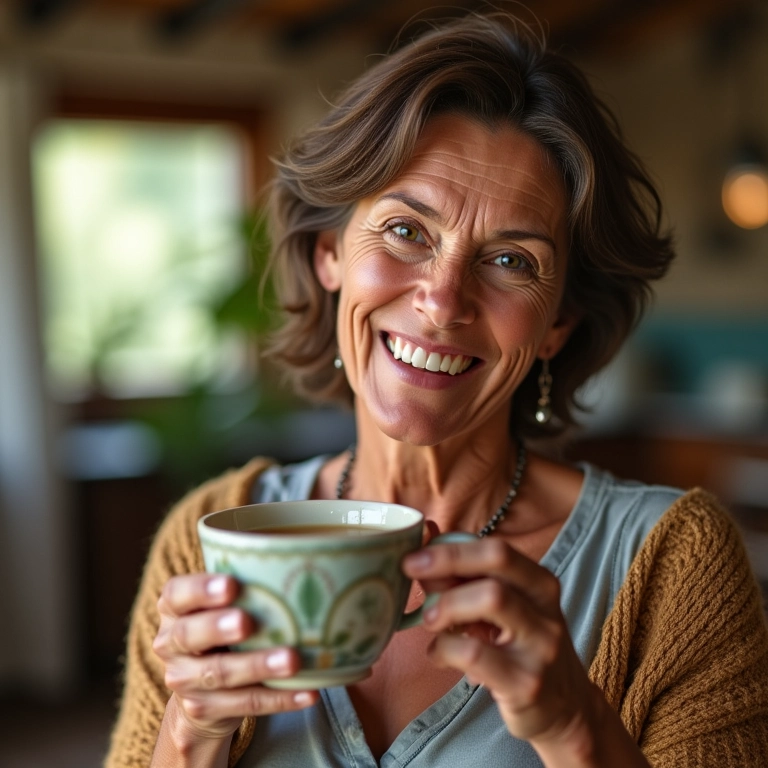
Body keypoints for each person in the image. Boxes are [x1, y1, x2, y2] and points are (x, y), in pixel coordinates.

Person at [105, 11, 768, 768]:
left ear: (557, 326)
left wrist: (573, 727)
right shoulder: (204, 542)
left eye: (513, 261)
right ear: (330, 256)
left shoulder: (673, 569)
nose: (444, 299)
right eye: (406, 232)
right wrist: (189, 737)